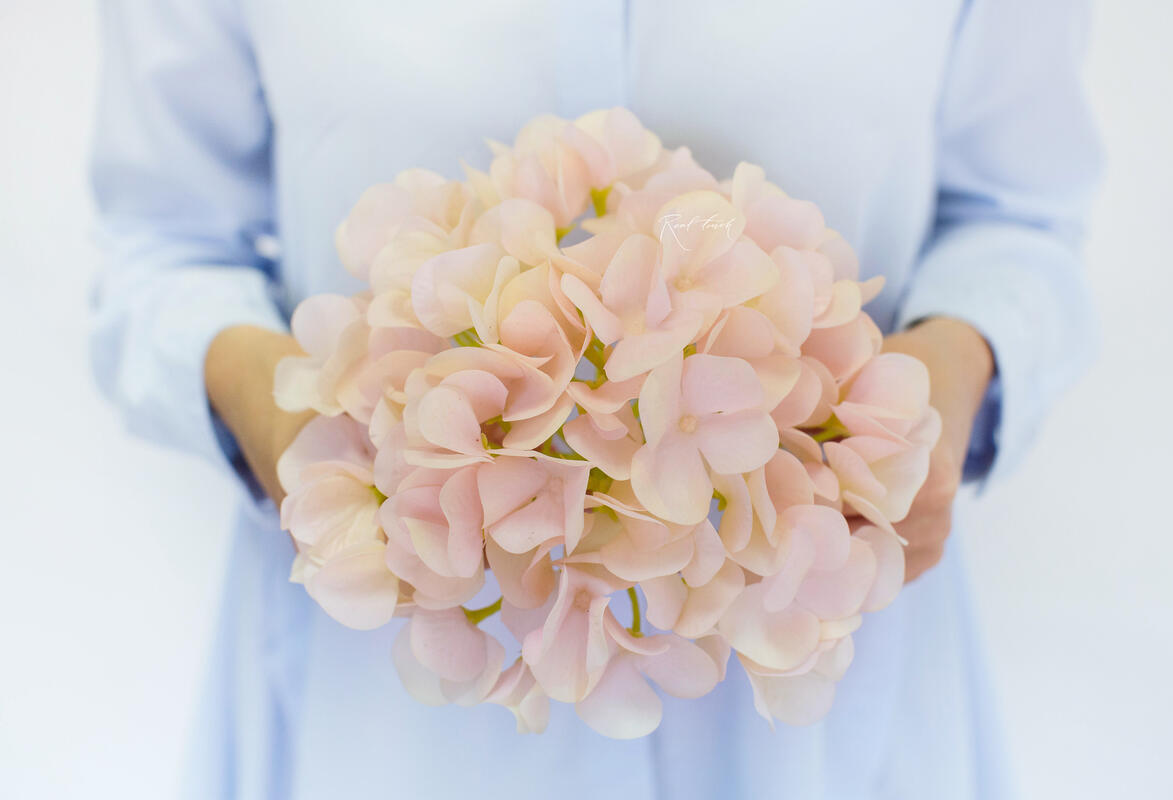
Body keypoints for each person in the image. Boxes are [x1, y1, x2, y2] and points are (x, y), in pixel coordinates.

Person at [89, 1, 1101, 798]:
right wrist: (275, 413)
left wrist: (957, 363)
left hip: (819, 674)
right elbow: (163, 243)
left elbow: (1015, 216)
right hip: (389, 712)